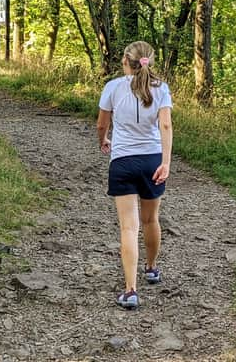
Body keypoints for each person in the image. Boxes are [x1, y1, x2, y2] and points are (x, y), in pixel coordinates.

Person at [97, 41, 173, 310]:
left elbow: (102, 123)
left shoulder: (113, 87)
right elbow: (165, 124)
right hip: (152, 160)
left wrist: (104, 139)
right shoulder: (161, 88)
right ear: (148, 61)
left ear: (125, 62)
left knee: (129, 227)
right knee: (151, 219)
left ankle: (130, 290)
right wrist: (165, 162)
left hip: (123, 161)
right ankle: (151, 268)